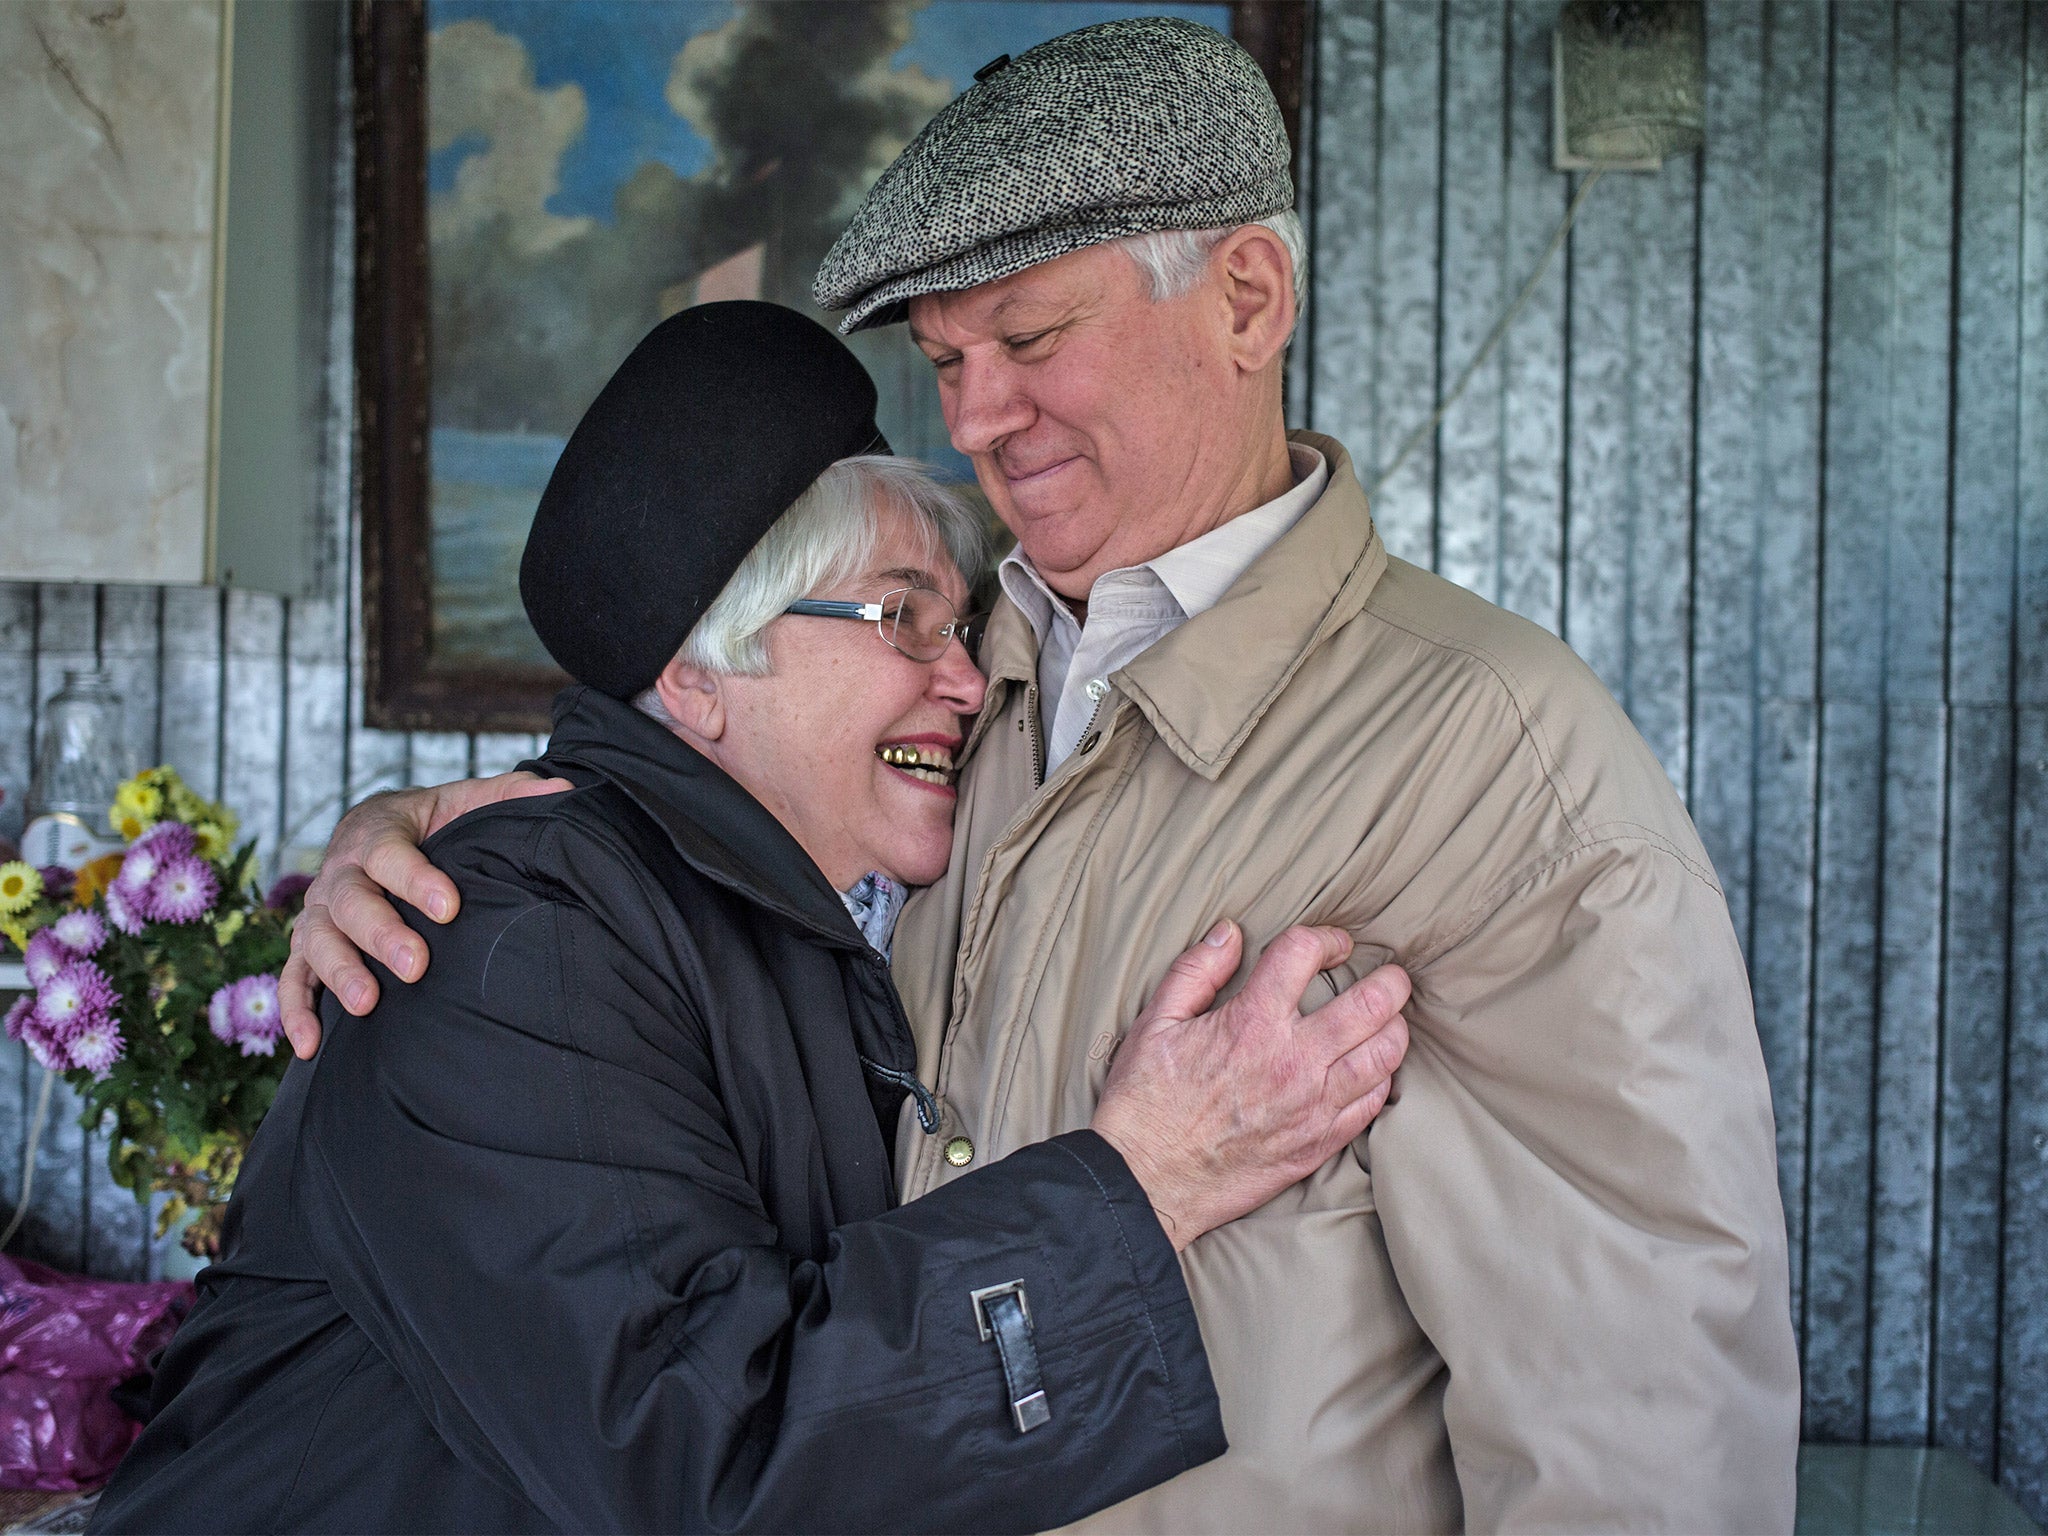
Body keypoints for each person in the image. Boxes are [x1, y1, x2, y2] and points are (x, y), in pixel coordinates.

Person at [285, 19, 1804, 1533]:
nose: (973, 418)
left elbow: (1643, 1435)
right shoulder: (963, 697)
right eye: (943, 359)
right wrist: (439, 840)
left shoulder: (1496, 758)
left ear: (1248, 300)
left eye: (1027, 338)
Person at [91, 303, 1414, 1534]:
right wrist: (1147, 1182)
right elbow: (693, 1449)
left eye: (962, 627)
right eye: (904, 616)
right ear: (698, 673)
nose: (966, 681)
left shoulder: (766, 905)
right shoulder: (508, 936)